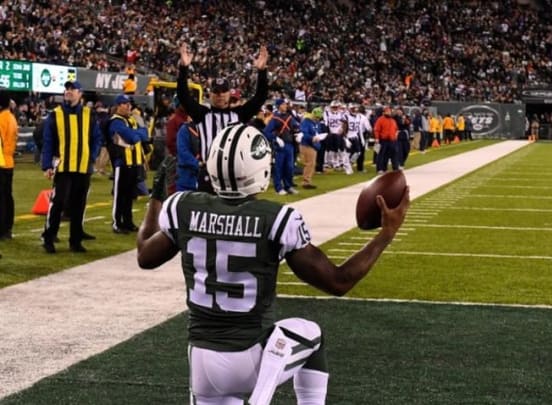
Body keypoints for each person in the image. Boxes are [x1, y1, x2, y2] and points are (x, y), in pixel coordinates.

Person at [136, 123, 409, 405]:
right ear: (260, 168)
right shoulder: (277, 219)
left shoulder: (181, 206)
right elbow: (338, 282)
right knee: (311, 335)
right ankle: (261, 397)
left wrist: (156, 198)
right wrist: (386, 234)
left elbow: (145, 256)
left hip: (201, 362)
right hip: (250, 358)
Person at [176, 42, 268, 192]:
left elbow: (260, 97)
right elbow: (183, 95)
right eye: (216, 92)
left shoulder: (238, 114)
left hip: (234, 173)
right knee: (206, 211)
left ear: (229, 93)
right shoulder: (202, 114)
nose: (219, 95)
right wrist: (183, 68)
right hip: (209, 172)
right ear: (210, 94)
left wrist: (262, 72)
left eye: (223, 91)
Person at [41, 80, 102, 253]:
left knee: (79, 204)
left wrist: (92, 155)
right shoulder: (56, 114)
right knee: (58, 202)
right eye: (67, 89)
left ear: (80, 93)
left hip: (83, 167)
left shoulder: (89, 114)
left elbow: (97, 137)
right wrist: (47, 165)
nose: (68, 91)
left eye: (72, 89)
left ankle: (75, 240)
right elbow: (48, 141)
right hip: (63, 166)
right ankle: (49, 236)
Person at [106, 94, 149, 234]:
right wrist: (137, 134)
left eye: (128, 103)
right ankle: (117, 222)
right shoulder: (115, 121)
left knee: (130, 195)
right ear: (118, 106)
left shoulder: (131, 119)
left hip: (134, 162)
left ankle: (128, 221)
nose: (128, 106)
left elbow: (144, 134)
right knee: (120, 195)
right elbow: (132, 137)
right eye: (124, 103)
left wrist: (136, 134)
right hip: (122, 162)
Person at [264, 98, 301, 195]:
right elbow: (266, 132)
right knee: (279, 167)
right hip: (279, 146)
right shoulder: (274, 118)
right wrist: (275, 138)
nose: (286, 106)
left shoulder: (289, 116)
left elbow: (296, 127)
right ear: (279, 106)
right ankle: (278, 188)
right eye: (284, 104)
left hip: (289, 145)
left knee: (289, 167)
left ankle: (288, 186)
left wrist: (298, 134)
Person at [0, 90, 18, 240]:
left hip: (1, 162)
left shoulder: (1, 119)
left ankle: (2, 229)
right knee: (7, 196)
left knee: (2, 198)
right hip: (8, 162)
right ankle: (7, 228)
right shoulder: (11, 117)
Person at [298, 107, 324, 189]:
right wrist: (311, 138)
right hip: (307, 145)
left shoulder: (317, 123)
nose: (317, 119)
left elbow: (318, 132)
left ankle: (307, 181)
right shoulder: (306, 121)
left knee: (312, 164)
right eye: (316, 117)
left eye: (319, 118)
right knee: (309, 164)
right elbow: (304, 133)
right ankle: (306, 182)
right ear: (313, 114)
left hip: (313, 145)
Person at [373, 106, 400, 173]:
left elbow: (396, 129)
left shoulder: (392, 120)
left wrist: (395, 136)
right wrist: (377, 138)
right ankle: (380, 169)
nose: (389, 112)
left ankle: (391, 168)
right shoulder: (380, 120)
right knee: (381, 155)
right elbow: (376, 130)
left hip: (392, 140)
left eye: (389, 111)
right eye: (387, 111)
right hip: (383, 140)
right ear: (384, 112)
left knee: (390, 155)